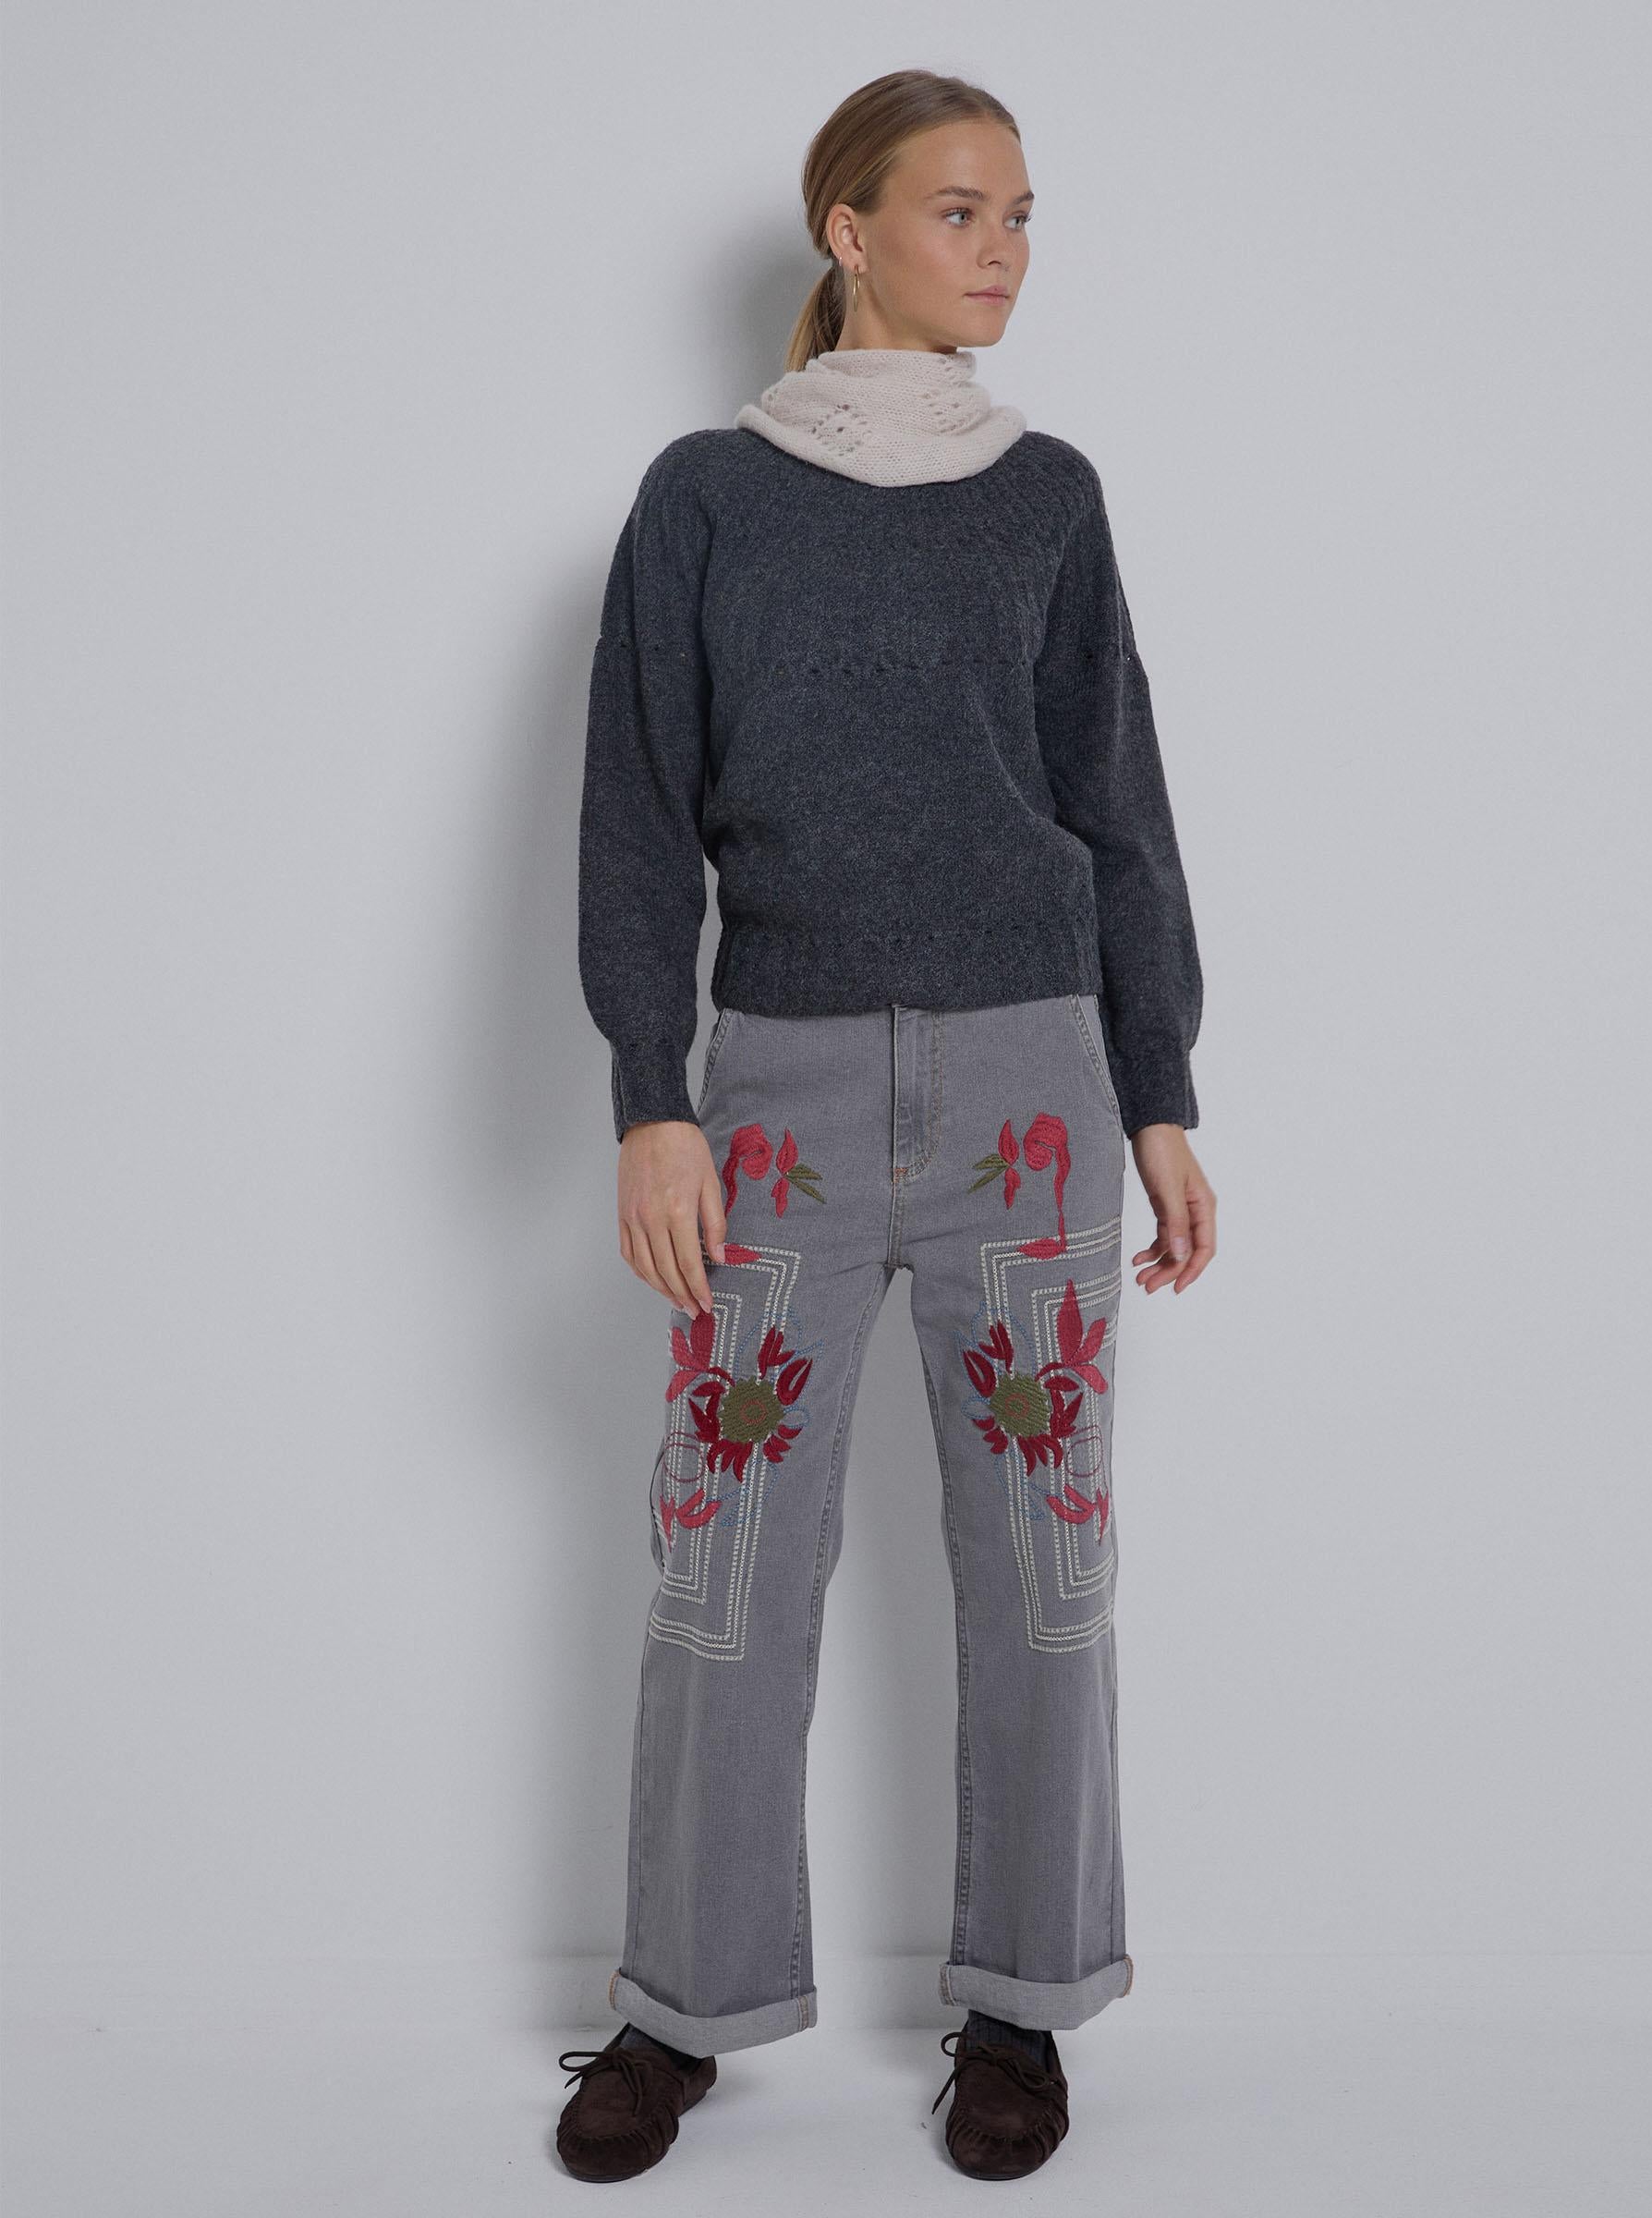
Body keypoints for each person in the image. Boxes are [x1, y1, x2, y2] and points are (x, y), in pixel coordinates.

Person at [557, 67, 1217, 2185]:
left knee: (1045, 1571)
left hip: (1032, 1085)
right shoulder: (704, 498)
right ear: (850, 230)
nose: (1005, 248)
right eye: (961, 209)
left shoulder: (1052, 499)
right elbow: (638, 821)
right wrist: (651, 1100)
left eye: (1024, 214)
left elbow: (1117, 807)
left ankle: (1024, 2006)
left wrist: (1161, 1091)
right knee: (725, 1566)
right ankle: (680, 2008)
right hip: (783, 1097)